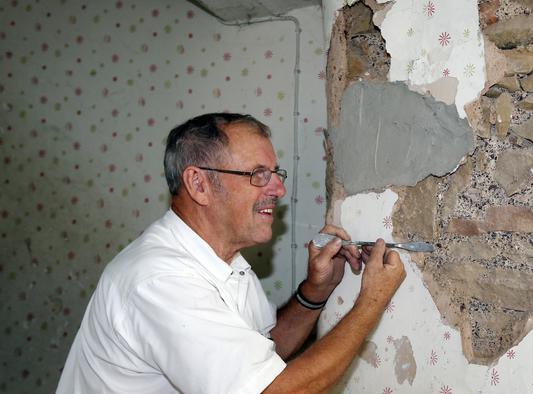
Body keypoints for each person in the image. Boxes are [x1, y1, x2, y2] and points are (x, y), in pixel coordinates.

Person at [56, 113, 406, 393]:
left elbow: (258, 357)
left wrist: (314, 294)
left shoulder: (225, 260)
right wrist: (371, 301)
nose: (279, 189)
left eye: (276, 173)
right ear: (199, 184)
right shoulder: (160, 280)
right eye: (258, 174)